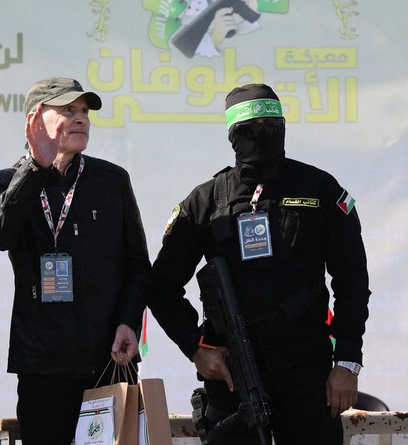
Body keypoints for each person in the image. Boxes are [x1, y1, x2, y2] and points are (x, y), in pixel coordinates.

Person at [148, 83, 370, 444]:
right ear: (233, 136)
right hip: (232, 380)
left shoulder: (320, 189)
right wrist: (195, 347)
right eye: (252, 131)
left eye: (272, 127)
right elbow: (161, 286)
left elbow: (352, 282)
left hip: (306, 376)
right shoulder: (206, 201)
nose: (264, 137)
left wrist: (347, 361)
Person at [0, 77, 151, 444]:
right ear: (36, 119)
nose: (81, 119)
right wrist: (34, 169)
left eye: (84, 111)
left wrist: (129, 322)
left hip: (109, 362)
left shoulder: (111, 180)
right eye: (68, 110)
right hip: (44, 366)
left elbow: (138, 265)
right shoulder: (6, 181)